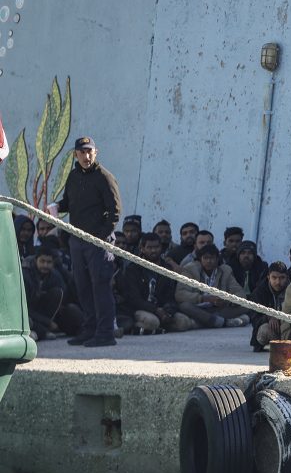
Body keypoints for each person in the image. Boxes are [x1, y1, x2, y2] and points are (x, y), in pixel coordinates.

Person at [54, 136, 122, 347]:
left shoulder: (104, 177)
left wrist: (100, 237)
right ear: (76, 154)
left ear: (96, 152)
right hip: (77, 240)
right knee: (83, 287)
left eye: (89, 151)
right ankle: (90, 329)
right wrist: (55, 207)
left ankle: (105, 333)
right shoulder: (74, 176)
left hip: (98, 241)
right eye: (82, 152)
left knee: (100, 286)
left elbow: (115, 212)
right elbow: (68, 203)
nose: (86, 155)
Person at [118, 233, 194, 334]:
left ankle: (157, 328)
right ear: (142, 249)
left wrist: (168, 311)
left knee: (183, 322)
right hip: (141, 308)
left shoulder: (167, 268)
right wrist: (156, 310)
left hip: (162, 309)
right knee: (152, 322)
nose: (153, 250)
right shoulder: (133, 268)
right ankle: (137, 328)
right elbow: (134, 298)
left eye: (156, 247)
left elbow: (171, 295)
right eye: (149, 247)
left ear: (161, 248)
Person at [174, 244, 250, 329]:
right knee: (184, 306)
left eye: (212, 258)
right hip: (198, 308)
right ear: (200, 260)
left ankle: (207, 322)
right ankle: (223, 322)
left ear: (217, 259)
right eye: (206, 258)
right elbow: (180, 294)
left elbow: (240, 293)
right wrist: (203, 298)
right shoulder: (190, 269)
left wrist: (225, 300)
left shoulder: (225, 270)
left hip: (217, 310)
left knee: (245, 306)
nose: (209, 261)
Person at [23, 247, 84, 340]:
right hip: (29, 314)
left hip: (47, 314)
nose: (45, 265)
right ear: (36, 260)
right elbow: (25, 308)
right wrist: (48, 322)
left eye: (49, 262)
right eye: (42, 261)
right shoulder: (26, 275)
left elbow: (65, 297)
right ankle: (42, 330)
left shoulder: (55, 276)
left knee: (71, 309)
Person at [249, 261, 289, 351]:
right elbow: (254, 318)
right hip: (272, 329)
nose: (278, 282)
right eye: (274, 278)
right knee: (264, 331)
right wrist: (268, 317)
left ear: (287, 278)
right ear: (268, 277)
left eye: (282, 278)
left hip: (288, 327)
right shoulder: (259, 292)